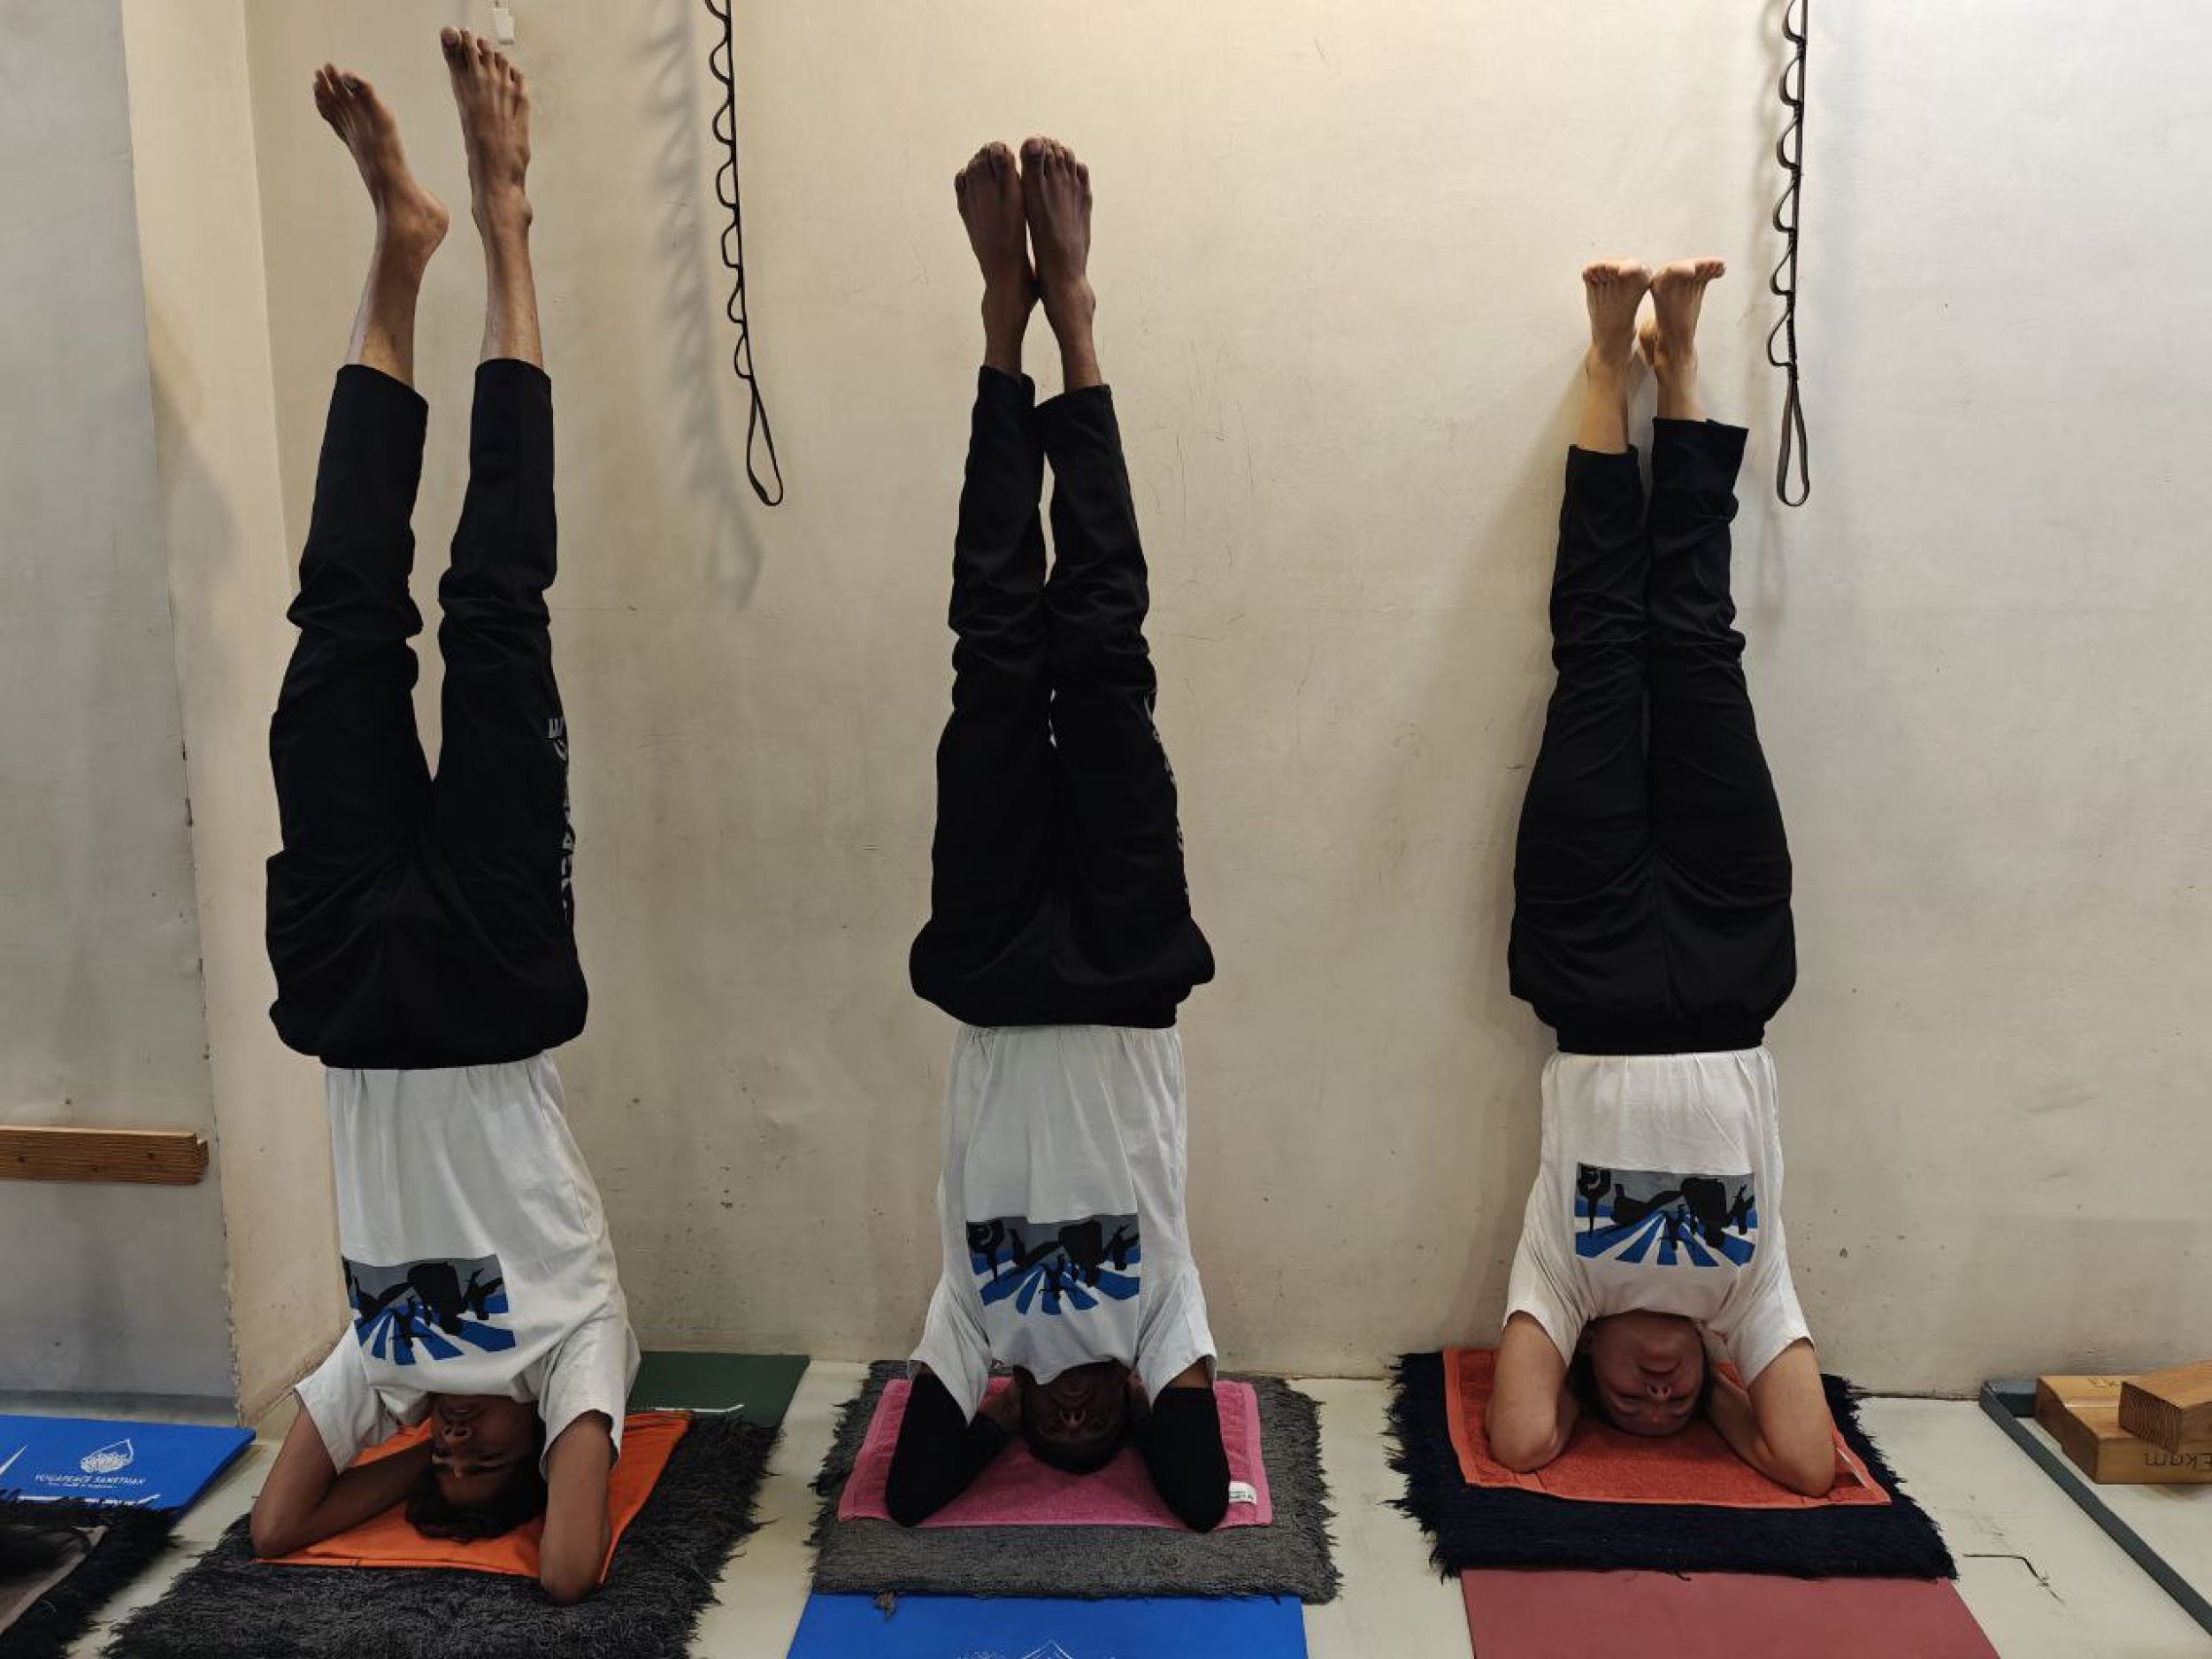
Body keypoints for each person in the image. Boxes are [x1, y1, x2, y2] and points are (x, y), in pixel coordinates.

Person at [247, 33, 636, 1604]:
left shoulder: (384, 1360)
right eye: (489, 1461)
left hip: (346, 990)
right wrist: (515, 1459)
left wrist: (406, 1449)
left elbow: (277, 1529)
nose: (464, 1444)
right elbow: (571, 1571)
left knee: (341, 612)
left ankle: (400, 252)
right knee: (492, 605)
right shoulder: (574, 1342)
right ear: (536, 1445)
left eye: (450, 1463)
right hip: (489, 969)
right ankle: (502, 217)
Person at [889, 137, 1229, 1532]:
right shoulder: (1163, 1318)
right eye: (1107, 1429)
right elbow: (1199, 1497)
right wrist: (1152, 1413)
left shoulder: (978, 1325)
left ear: (1013, 1407)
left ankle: (999, 327)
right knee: (1101, 650)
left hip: (992, 968)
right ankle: (1076, 321)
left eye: (1056, 1430)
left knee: (992, 651)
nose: (1079, 1419)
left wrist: (985, 1422)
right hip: (1130, 967)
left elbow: (912, 1489)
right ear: (1142, 1403)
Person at [1483, 258, 1839, 1497]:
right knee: (1694, 649)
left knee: (1599, 657)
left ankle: (1605, 368)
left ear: (1587, 1363)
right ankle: (1679, 369)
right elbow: (1806, 1464)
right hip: (1734, 960)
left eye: (1628, 1399)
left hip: (1589, 967)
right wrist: (1726, 1407)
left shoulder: (1562, 1278)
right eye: (1669, 1405)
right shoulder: (1751, 1293)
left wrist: (1585, 1386)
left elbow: (1522, 1441)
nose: (1657, 1393)